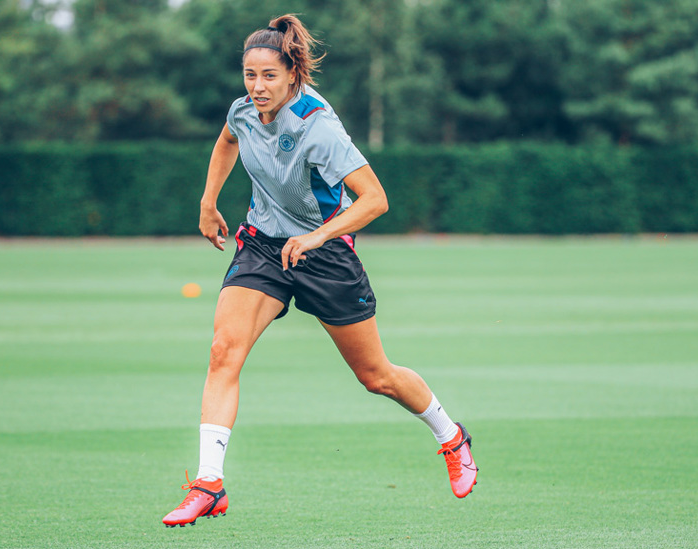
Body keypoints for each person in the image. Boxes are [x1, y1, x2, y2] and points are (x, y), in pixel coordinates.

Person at [163, 14, 478, 528]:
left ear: (292, 75)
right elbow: (227, 141)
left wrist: (316, 236)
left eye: (268, 76)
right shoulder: (242, 112)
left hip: (324, 255)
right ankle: (209, 484)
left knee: (376, 376)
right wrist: (208, 201)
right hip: (264, 247)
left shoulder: (319, 127)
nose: (257, 87)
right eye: (249, 75)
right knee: (224, 352)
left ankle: (451, 436)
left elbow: (375, 199)